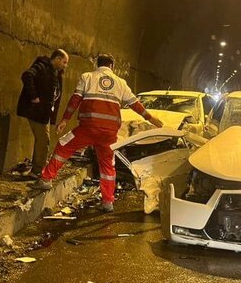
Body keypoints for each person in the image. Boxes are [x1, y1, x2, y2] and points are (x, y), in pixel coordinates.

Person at [29, 53, 163, 212]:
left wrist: (65, 119)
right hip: (109, 133)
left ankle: (46, 179)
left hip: (87, 128)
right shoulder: (121, 83)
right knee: (107, 166)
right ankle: (108, 202)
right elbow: (135, 104)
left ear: (97, 64)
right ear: (112, 66)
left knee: (63, 146)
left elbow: (75, 100)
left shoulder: (87, 77)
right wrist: (150, 118)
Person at [17, 49, 69, 178]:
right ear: (57, 59)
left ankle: (38, 168)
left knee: (43, 140)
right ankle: (37, 171)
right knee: (43, 140)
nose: (65, 65)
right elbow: (27, 76)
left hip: (44, 112)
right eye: (64, 62)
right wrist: (34, 97)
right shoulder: (42, 66)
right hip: (37, 111)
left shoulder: (56, 72)